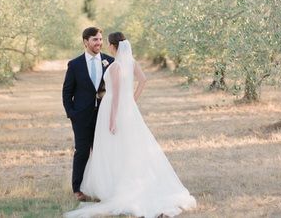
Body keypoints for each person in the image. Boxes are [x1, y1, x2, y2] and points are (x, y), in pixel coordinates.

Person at [65, 32, 196, 218]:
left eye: (105, 42)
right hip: (124, 110)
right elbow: (143, 81)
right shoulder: (130, 62)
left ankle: (114, 185)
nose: (103, 44)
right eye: (96, 40)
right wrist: (132, 101)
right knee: (125, 147)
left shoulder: (116, 65)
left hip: (113, 109)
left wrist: (112, 118)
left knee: (112, 148)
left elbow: (116, 94)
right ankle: (110, 183)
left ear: (112, 45)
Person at [62, 27, 116, 201]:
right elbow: (67, 92)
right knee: (82, 151)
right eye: (95, 40)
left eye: (100, 39)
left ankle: (103, 188)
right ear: (85, 42)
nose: (99, 43)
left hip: (103, 116)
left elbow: (115, 89)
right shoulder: (75, 64)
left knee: (102, 152)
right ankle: (77, 189)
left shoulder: (110, 61)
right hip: (81, 117)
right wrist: (72, 113)